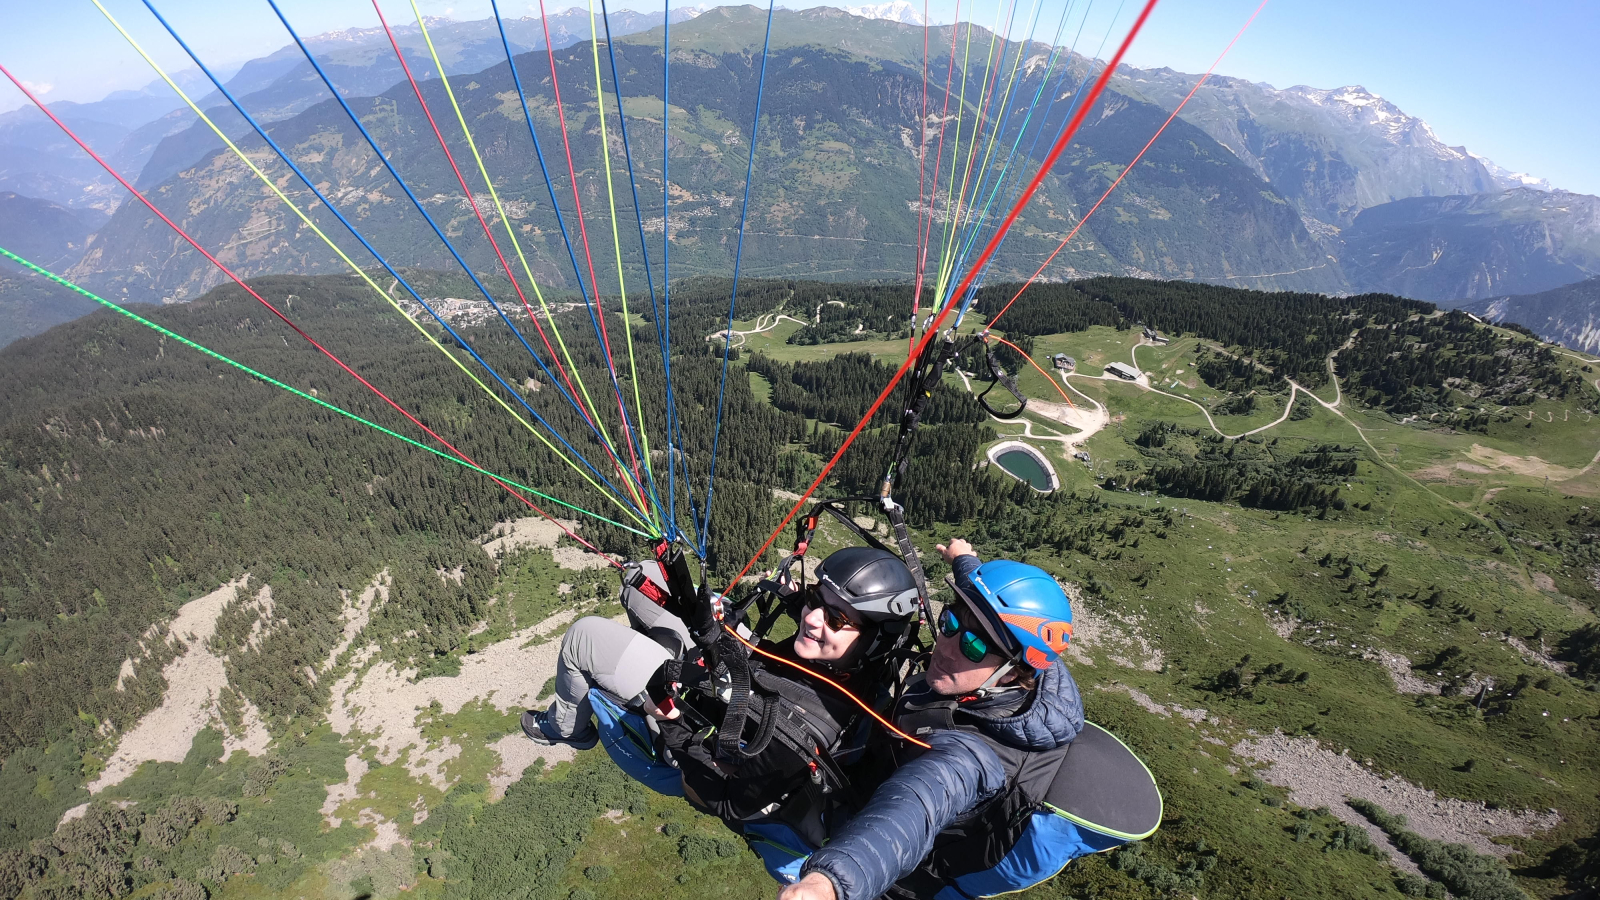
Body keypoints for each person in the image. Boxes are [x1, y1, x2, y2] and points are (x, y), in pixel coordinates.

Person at [525, 545, 922, 877]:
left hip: (694, 719)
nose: (812, 619)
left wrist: (673, 724)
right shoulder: (867, 663)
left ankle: (566, 728)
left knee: (583, 636)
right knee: (641, 578)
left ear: (871, 641)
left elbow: (727, 804)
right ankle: (655, 647)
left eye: (835, 619)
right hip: (731, 676)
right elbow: (824, 620)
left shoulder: (796, 742)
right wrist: (794, 598)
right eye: (817, 600)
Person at [777, 538, 1110, 900]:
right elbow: (978, 596)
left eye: (974, 646)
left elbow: (911, 809)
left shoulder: (971, 758)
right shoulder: (1019, 651)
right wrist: (963, 558)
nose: (946, 647)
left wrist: (826, 885)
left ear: (1014, 673)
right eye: (949, 622)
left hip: (898, 879)